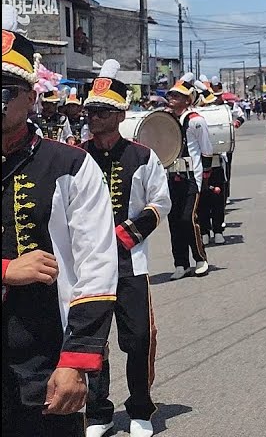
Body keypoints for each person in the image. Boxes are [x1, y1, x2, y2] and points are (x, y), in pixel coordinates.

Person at [2, 6, 118, 437]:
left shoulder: (70, 164)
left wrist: (77, 361)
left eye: (6, 90)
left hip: (44, 354)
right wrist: (7, 270)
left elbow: (97, 267)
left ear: (31, 96)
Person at [82, 60, 172, 437]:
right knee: (91, 341)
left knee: (136, 338)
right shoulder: (78, 155)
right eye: (89, 111)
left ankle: (140, 408)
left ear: (118, 115)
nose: (92, 117)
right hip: (87, 265)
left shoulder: (142, 156)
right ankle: (98, 413)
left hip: (129, 262)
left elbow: (160, 202)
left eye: (100, 111)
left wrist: (128, 233)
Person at [164, 73, 213, 280]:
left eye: (177, 95)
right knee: (173, 220)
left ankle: (200, 258)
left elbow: (207, 150)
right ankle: (181, 263)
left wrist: (205, 179)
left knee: (188, 218)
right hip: (171, 174)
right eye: (171, 94)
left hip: (191, 175)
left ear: (187, 99)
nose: (172, 98)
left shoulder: (196, 121)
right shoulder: (165, 119)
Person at [196, 79, 243, 245]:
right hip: (198, 162)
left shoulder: (225, 109)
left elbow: (240, 117)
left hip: (218, 159)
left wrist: (233, 124)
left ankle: (217, 229)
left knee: (217, 196)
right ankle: (204, 230)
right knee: (201, 198)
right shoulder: (195, 113)